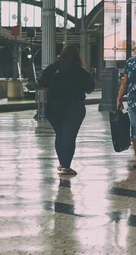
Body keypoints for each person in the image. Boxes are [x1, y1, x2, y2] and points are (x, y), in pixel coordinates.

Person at [39, 44, 95, 177]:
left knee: (60, 135)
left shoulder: (54, 68)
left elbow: (42, 82)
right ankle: (65, 166)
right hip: (75, 108)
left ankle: (63, 163)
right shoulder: (81, 71)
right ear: (77, 57)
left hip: (54, 107)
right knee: (69, 136)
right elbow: (90, 88)